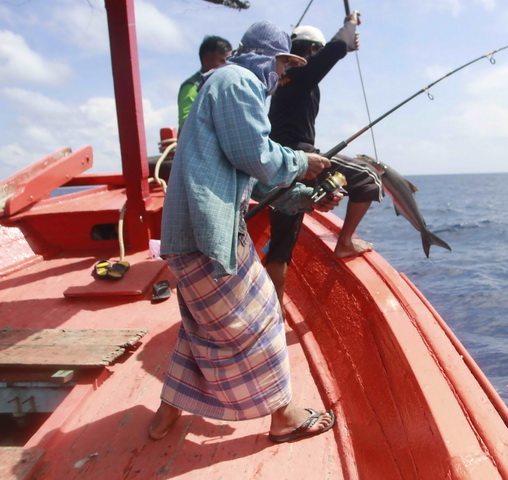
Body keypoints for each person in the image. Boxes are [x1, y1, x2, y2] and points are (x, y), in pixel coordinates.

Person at [149, 21, 339, 443]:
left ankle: (166, 415)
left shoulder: (223, 84)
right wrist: (302, 162)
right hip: (207, 237)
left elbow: (254, 181)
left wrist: (306, 198)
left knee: (201, 328)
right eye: (283, 66)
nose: (283, 77)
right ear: (268, 58)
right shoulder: (238, 82)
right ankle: (284, 415)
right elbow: (257, 156)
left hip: (191, 236)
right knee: (265, 314)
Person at [266, 11, 383, 303]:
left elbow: (331, 52)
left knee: (281, 246)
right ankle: (344, 243)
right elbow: (330, 54)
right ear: (309, 51)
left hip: (276, 163)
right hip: (301, 157)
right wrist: (349, 27)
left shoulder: (284, 79)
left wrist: (345, 43)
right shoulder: (300, 73)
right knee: (368, 177)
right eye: (315, 52)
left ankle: (273, 310)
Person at [177, 35, 232, 132]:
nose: (227, 66)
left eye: (229, 61)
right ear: (206, 60)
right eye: (222, 61)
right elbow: (186, 123)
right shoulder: (191, 87)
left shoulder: (226, 86)